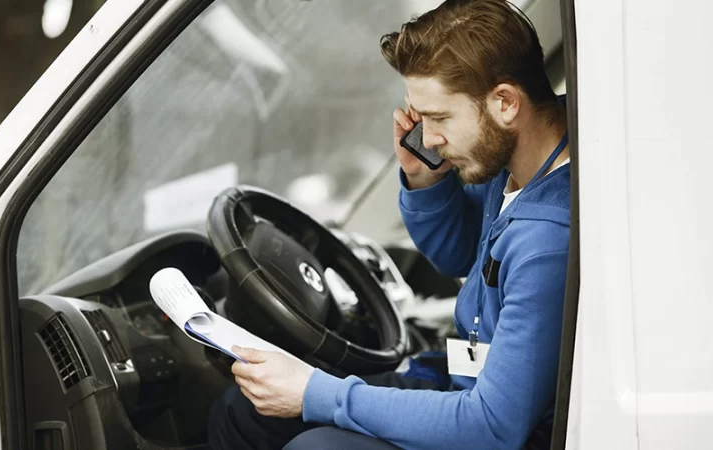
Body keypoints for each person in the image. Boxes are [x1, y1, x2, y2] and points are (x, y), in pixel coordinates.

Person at [208, 0, 570, 448]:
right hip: (461, 378)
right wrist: (425, 177)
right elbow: (462, 256)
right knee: (245, 413)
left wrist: (316, 392)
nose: (429, 138)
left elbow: (492, 426)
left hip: (505, 427)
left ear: (505, 102)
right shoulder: (514, 158)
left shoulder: (548, 241)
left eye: (439, 118)